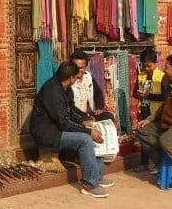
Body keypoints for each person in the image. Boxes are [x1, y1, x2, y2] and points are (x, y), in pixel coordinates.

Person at [30, 61, 114, 198]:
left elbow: (71, 110)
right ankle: (89, 184)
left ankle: (97, 176)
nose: (77, 79)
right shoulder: (52, 91)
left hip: (58, 128)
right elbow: (63, 123)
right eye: (76, 77)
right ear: (71, 78)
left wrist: (84, 120)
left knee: (94, 129)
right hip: (47, 133)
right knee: (86, 139)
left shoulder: (64, 88)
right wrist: (87, 131)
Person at [132, 48, 170, 173]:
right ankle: (144, 163)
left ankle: (157, 162)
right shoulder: (141, 75)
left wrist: (148, 96)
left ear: (155, 63)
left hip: (156, 111)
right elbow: (134, 93)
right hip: (143, 109)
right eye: (144, 66)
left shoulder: (162, 77)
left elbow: (165, 96)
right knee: (143, 136)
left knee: (154, 137)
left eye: (149, 66)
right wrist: (139, 95)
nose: (146, 69)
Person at [69, 50, 114, 122]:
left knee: (109, 117)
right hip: (75, 116)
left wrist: (99, 107)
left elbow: (98, 93)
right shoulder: (68, 81)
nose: (78, 70)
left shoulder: (88, 77)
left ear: (86, 67)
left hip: (89, 113)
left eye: (81, 68)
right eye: (75, 67)